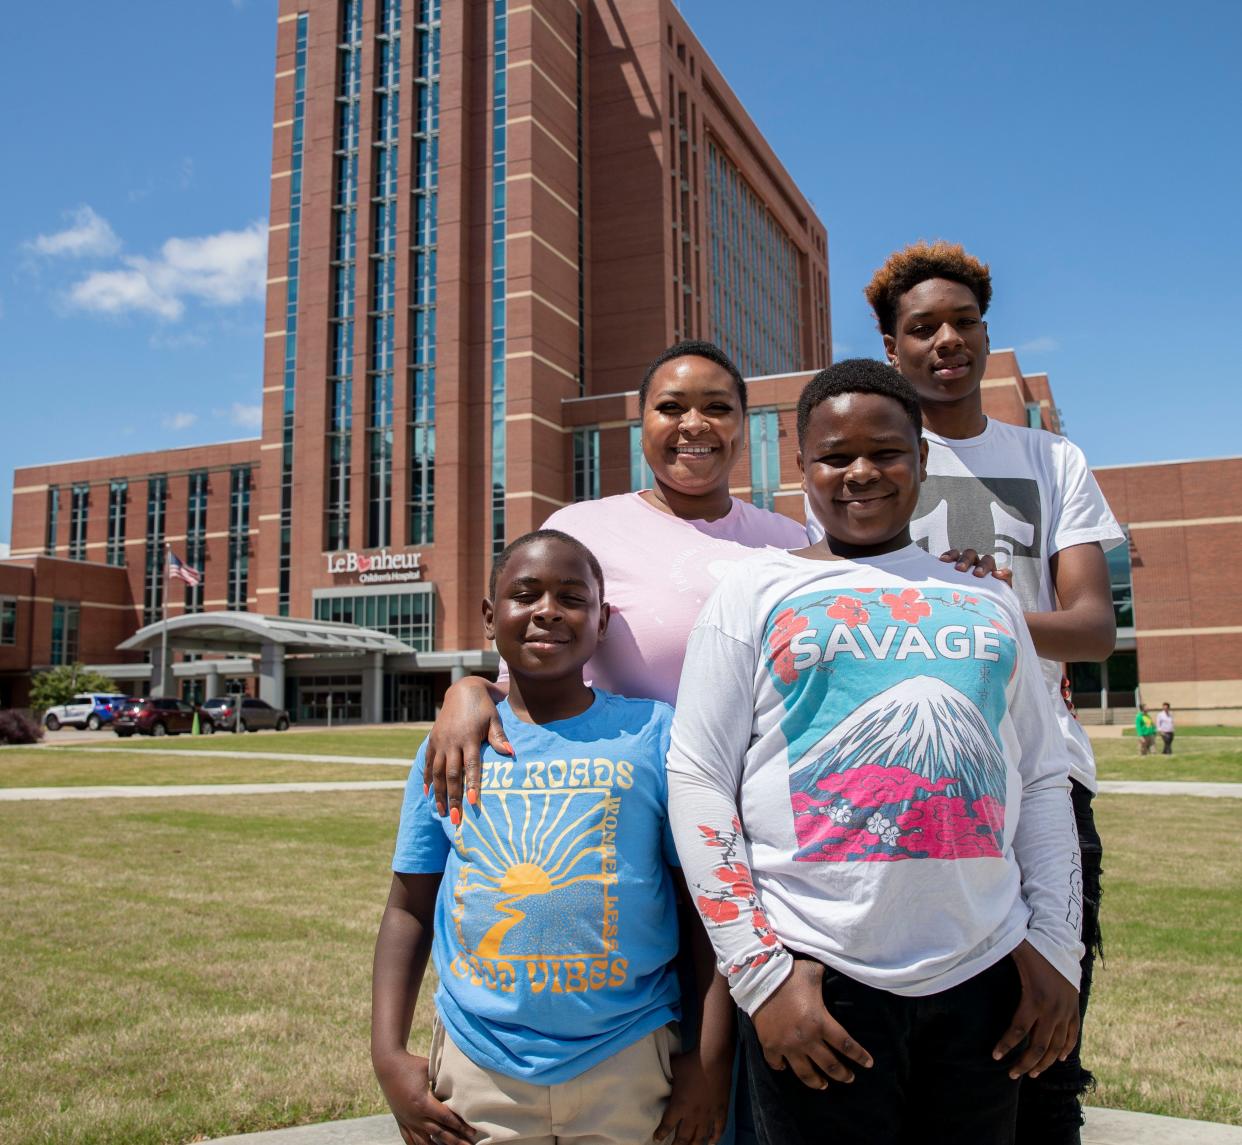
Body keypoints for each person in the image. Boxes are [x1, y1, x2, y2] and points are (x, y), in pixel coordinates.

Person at [668, 360, 1083, 1145]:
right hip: (817, 982)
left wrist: (1057, 948)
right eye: (835, 456)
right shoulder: (753, 592)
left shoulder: (987, 599)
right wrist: (762, 973)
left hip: (981, 979)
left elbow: (1040, 775)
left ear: (922, 459)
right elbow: (697, 780)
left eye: (887, 452)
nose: (861, 472)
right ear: (802, 467)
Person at [849, 240, 1123, 1145]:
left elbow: (1090, 625)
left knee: (1045, 1033)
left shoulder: (1050, 458)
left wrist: (984, 606)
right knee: (916, 1041)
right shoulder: (866, 463)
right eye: (922, 328)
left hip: (1043, 775)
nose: (946, 341)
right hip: (911, 773)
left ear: (985, 333)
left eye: (963, 323)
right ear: (892, 348)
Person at [371, 529, 732, 1145]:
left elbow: (704, 906)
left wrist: (708, 1061)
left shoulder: (655, 734)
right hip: (478, 1061)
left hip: (629, 1054)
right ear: (490, 617)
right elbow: (410, 904)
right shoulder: (452, 745)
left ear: (602, 620)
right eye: (525, 594)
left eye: (572, 597)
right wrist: (387, 1052)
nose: (547, 610)